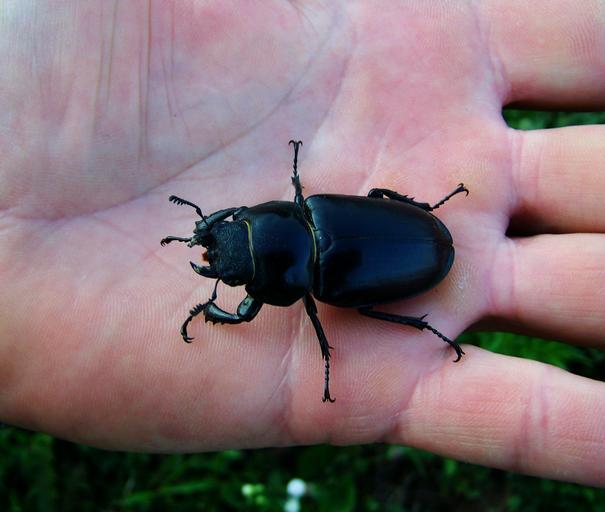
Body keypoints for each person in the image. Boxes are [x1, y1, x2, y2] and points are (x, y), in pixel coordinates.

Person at [0, 1, 603, 487]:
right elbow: (268, 243)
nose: (222, 245)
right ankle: (427, 308)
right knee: (363, 278)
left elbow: (244, 312)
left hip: (416, 250)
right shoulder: (310, 209)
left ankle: (426, 309)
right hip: (412, 243)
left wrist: (210, 308)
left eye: (233, 229)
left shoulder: (314, 268)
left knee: (361, 304)